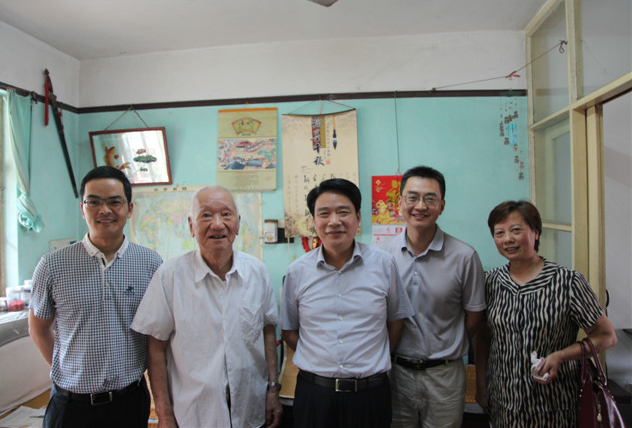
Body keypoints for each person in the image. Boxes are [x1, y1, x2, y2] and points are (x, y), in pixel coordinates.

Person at [131, 185, 282, 428]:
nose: (218, 224)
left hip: (250, 408)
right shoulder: (169, 276)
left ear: (238, 223)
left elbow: (267, 332)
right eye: (206, 215)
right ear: (191, 226)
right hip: (195, 415)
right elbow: (156, 349)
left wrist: (273, 390)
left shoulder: (257, 272)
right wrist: (165, 415)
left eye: (226, 214)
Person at [29, 166, 163, 428]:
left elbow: (156, 336)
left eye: (114, 202)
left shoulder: (150, 264)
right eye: (94, 202)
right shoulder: (52, 265)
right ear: (82, 209)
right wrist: (70, 372)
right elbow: (38, 329)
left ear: (130, 208)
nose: (104, 210)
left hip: (129, 402)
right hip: (70, 406)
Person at [280, 178, 413, 428]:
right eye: (324, 214)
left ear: (358, 217)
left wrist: (372, 356)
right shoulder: (297, 271)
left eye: (343, 212)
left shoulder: (384, 264)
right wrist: (319, 356)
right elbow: (289, 331)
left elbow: (396, 322)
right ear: (314, 221)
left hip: (370, 396)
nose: (334, 221)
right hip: (315, 395)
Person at [474, 200, 617, 427]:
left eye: (516, 230)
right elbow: (483, 336)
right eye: (499, 233)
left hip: (556, 405)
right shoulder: (491, 282)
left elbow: (606, 336)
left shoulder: (568, 281)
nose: (507, 239)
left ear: (536, 233)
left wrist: (560, 356)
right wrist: (482, 386)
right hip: (503, 403)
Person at [380, 165, 485, 428]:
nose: (420, 206)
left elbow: (474, 318)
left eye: (430, 199)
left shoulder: (464, 256)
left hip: (445, 375)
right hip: (395, 373)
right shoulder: (381, 255)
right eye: (413, 197)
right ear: (400, 203)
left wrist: (446, 345)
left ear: (442, 206)